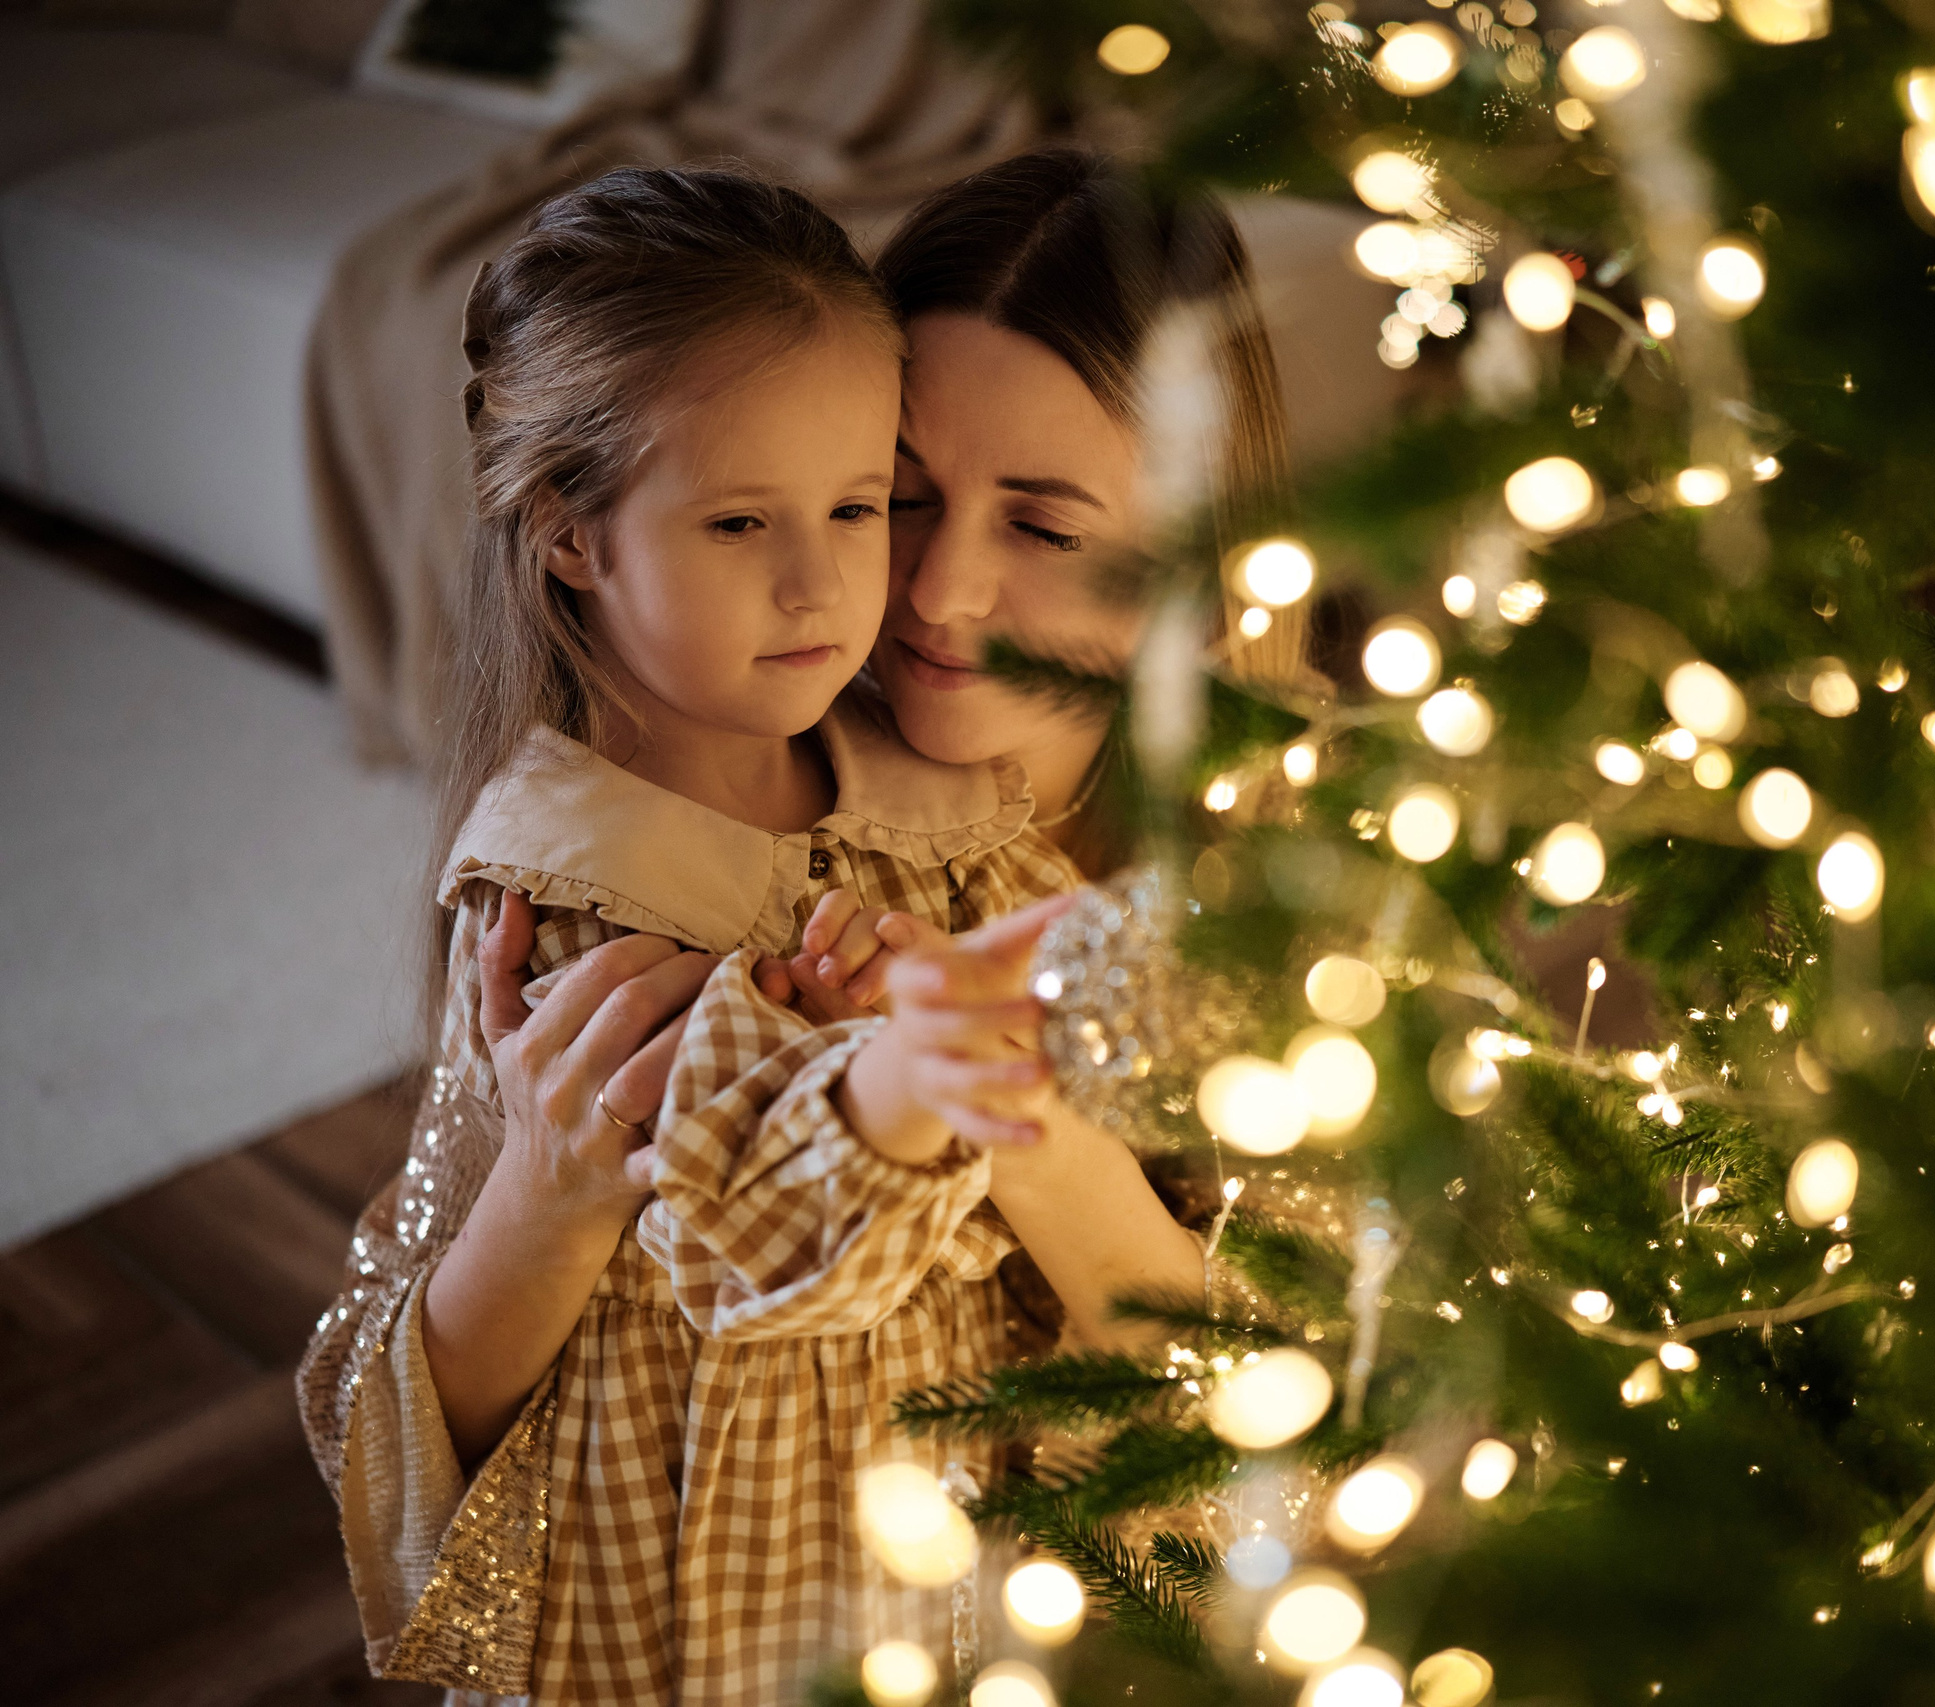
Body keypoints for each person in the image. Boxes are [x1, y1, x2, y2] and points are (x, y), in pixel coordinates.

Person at [312, 151, 1299, 1703]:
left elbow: (1289, 1426)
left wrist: (995, 1104)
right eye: (903, 496)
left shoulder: (1277, 875)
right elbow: (409, 1439)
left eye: (1040, 527)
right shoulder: (647, 848)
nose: (929, 590)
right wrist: (542, 1206)